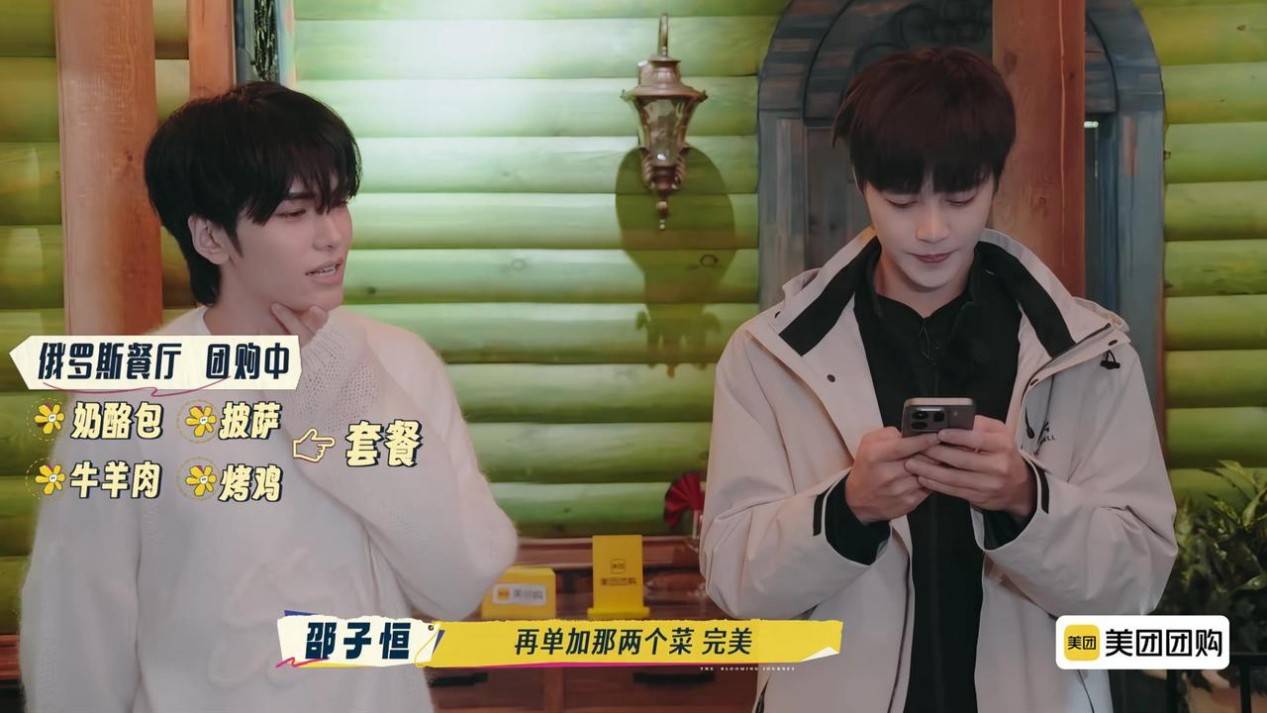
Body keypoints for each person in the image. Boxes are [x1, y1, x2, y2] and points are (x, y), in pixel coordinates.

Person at [699, 48, 1177, 713]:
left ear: (995, 179)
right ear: (862, 184)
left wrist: (1025, 496)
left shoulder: (1091, 354)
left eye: (960, 197)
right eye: (901, 200)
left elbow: (1137, 585)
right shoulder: (767, 357)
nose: (931, 229)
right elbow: (733, 580)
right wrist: (847, 509)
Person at [20, 81, 518, 712]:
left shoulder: (400, 364)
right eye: (294, 213)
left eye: (337, 204)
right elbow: (76, 638)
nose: (332, 235)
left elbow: (459, 582)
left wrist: (351, 400)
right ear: (210, 237)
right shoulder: (126, 400)